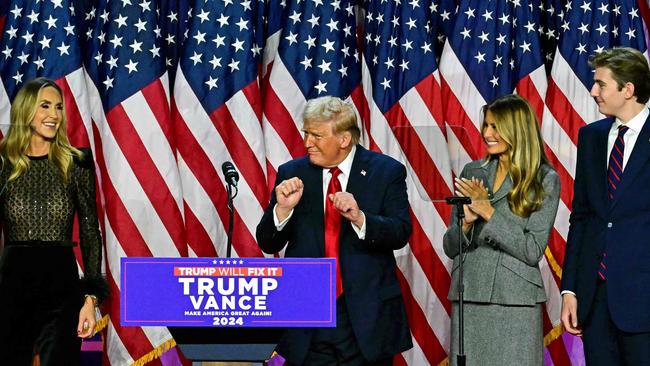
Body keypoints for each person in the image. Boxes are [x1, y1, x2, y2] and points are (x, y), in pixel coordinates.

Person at [256, 96, 412, 365]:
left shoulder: (386, 172)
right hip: (308, 317)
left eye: (316, 135)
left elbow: (400, 232)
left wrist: (360, 218)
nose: (307, 142)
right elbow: (268, 242)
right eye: (306, 133)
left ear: (344, 139)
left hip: (364, 319)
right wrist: (282, 211)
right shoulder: (292, 173)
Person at [443, 94, 560, 365]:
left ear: (516, 129)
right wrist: (467, 223)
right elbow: (450, 246)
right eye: (486, 125)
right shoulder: (472, 170)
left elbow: (532, 250)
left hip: (515, 301)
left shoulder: (544, 179)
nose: (486, 133)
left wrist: (488, 212)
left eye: (495, 127)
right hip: (469, 296)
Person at [0, 77, 108, 365]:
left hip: (61, 288)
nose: (54, 115)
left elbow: (89, 230)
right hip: (11, 287)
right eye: (45, 106)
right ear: (25, 111)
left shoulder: (76, 162)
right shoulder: (4, 163)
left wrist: (90, 299)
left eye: (58, 107)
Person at [561, 47, 650, 365]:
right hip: (596, 301)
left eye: (601, 84)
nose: (593, 91)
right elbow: (581, 217)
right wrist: (569, 289)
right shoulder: (591, 137)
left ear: (628, 89)